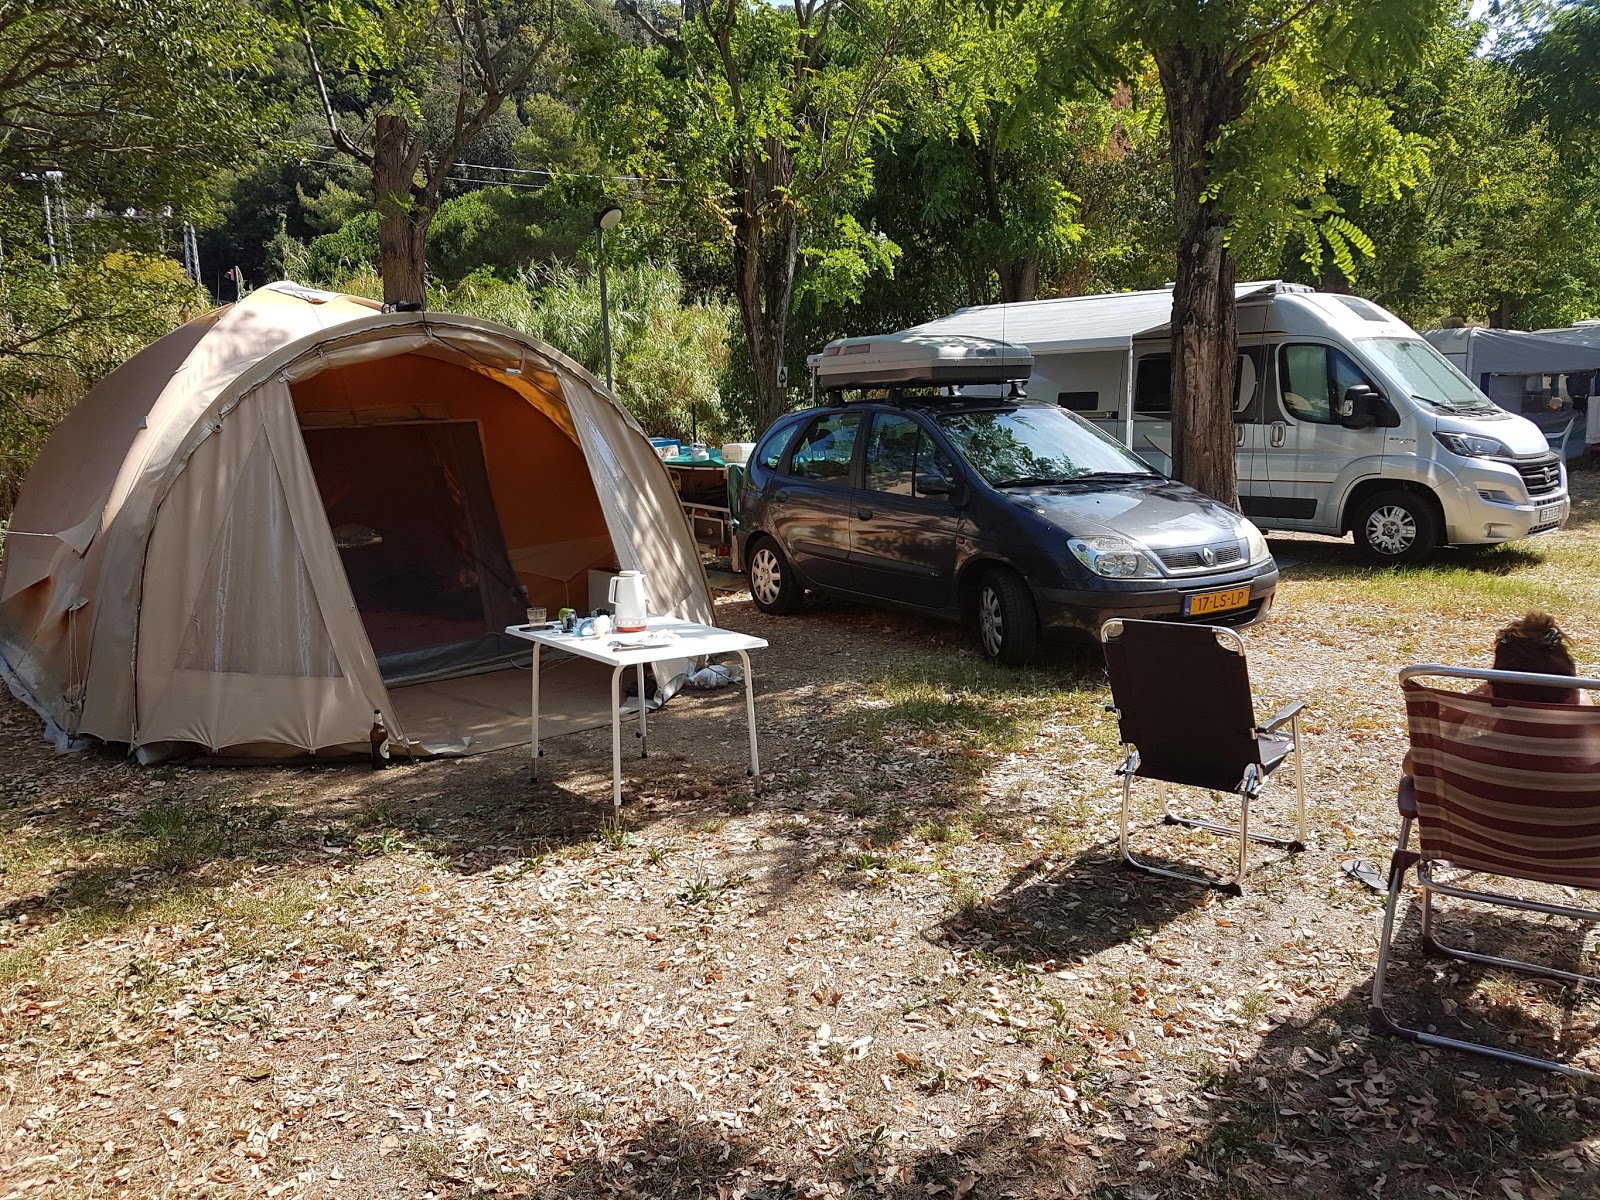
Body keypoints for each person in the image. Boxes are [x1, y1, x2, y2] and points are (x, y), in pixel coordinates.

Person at [1402, 613, 1582, 779]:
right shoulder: (1585, 763)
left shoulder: (1468, 755)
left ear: (1493, 693)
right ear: (1572, 696)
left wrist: (1470, 700)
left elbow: (1411, 764)